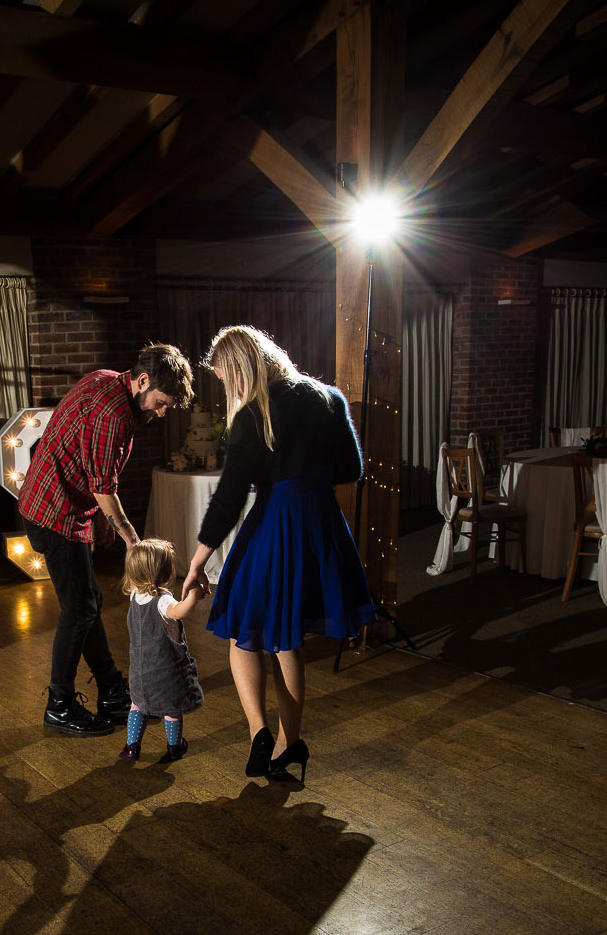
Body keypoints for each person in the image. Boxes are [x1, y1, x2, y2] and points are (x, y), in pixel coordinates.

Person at [180, 326, 375, 784]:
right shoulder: (329, 398)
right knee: (288, 640)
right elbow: (353, 469)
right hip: (321, 524)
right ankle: (291, 743)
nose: (230, 388)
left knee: (243, 630)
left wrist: (197, 561)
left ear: (241, 368)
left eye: (228, 377)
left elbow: (229, 497)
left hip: (273, 525)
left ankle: (258, 732)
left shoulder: (253, 413)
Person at [20, 343, 195, 736]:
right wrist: (131, 539)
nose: (162, 412)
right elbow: (103, 483)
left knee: (89, 603)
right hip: (54, 514)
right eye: (162, 402)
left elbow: (90, 466)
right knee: (79, 610)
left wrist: (99, 519)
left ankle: (112, 691)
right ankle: (59, 705)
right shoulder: (113, 413)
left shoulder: (105, 380)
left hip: (62, 506)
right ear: (144, 381)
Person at [116, 538, 207, 764]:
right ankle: (175, 747)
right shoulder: (162, 600)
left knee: (137, 705)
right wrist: (194, 597)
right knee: (172, 709)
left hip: (140, 671)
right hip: (165, 673)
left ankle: (131, 747)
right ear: (166, 572)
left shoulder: (135, 594)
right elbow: (178, 612)